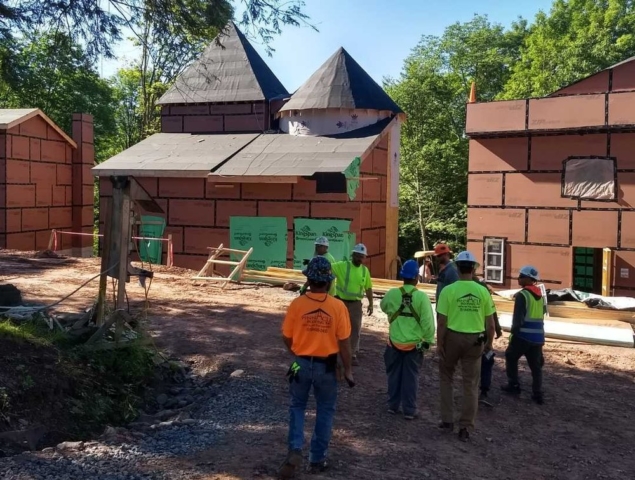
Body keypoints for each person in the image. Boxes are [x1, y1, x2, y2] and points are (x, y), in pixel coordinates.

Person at [279, 256, 354, 478]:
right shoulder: (338, 306)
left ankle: (294, 449)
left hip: (300, 363)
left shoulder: (297, 304)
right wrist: (348, 369)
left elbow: (286, 337)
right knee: (325, 409)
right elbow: (345, 344)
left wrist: (296, 354)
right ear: (329, 282)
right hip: (327, 367)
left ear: (308, 280)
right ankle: (317, 459)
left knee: (297, 406)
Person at [436, 251, 496, 442]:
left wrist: (440, 343)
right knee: (470, 384)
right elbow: (491, 323)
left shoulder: (449, 291)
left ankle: (447, 421)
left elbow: (442, 321)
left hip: (453, 338)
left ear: (457, 267)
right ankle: (465, 427)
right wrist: (489, 343)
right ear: (473, 268)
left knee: (446, 377)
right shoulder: (483, 291)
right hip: (475, 341)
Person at [380, 260, 435, 420]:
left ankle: (392, 405)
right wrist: (428, 341)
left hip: (394, 343)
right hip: (414, 346)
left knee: (393, 375)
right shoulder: (421, 298)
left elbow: (383, 307)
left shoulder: (392, 294)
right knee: (411, 378)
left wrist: (394, 311)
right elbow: (428, 323)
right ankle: (409, 410)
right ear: (416, 278)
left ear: (402, 276)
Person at [501, 265, 546, 405]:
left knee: (510, 356)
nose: (518, 278)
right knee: (536, 366)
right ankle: (537, 393)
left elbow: (518, 319)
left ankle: (514, 385)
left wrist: (513, 334)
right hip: (538, 337)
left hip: (523, 336)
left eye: (521, 276)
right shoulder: (541, 296)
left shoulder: (522, 295)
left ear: (528, 279)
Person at [331, 243, 373, 366]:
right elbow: (327, 267)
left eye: (362, 256)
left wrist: (371, 303)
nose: (359, 258)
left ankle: (352, 354)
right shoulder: (342, 266)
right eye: (358, 255)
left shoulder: (365, 271)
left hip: (355, 304)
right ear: (353, 255)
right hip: (340, 302)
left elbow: (368, 288)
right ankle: (334, 351)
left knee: (355, 329)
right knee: (337, 328)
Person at [472, 276, 503, 407]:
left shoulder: (460, 287)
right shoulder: (483, 290)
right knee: (486, 361)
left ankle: (473, 391)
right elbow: (492, 313)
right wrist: (496, 330)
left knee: (471, 362)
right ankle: (483, 391)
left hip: (469, 333)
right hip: (482, 333)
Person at [434, 243, 459, 308]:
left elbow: (456, 292)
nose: (437, 258)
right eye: (436, 256)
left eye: (439, 256)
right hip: (442, 308)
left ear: (447, 254)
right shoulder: (444, 270)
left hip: (447, 310)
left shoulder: (452, 270)